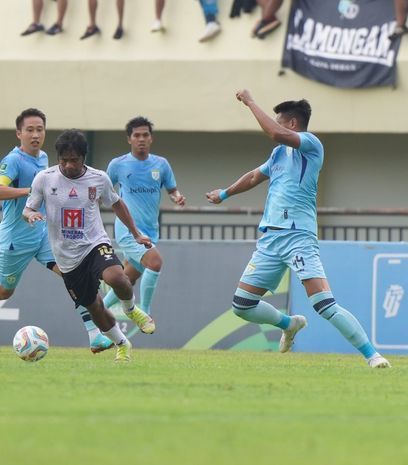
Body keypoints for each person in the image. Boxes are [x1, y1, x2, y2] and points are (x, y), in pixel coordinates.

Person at [205, 90, 390, 369]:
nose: (275, 126)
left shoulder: (311, 144)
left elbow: (275, 134)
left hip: (298, 237)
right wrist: (225, 194)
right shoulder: (279, 152)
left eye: (280, 121)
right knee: (242, 305)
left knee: (323, 305)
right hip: (270, 239)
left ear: (292, 124)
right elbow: (256, 175)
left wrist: (251, 102)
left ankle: (373, 355)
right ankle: (289, 324)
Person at [0, 109, 115, 354]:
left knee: (76, 277)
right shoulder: (13, 160)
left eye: (39, 129)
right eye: (30, 130)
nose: (35, 134)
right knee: (3, 290)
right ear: (19, 133)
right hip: (16, 237)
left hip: (44, 234)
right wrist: (31, 192)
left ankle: (95, 336)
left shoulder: (45, 157)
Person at [23, 129, 156, 362]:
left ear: (84, 157)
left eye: (73, 160)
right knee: (94, 307)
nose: (68, 165)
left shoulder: (99, 178)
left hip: (94, 244)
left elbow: (116, 204)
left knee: (116, 277)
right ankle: (122, 344)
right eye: (63, 160)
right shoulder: (44, 179)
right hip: (66, 258)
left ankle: (130, 309)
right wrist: (30, 215)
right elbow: (28, 207)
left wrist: (136, 234)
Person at [102, 116, 185, 316]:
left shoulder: (161, 164)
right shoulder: (118, 164)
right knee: (155, 262)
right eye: (136, 135)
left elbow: (172, 190)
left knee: (127, 278)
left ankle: (99, 310)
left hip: (150, 229)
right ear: (129, 139)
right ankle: (145, 312)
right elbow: (101, 190)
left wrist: (177, 197)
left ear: (151, 139)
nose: (141, 139)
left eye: (145, 135)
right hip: (128, 230)